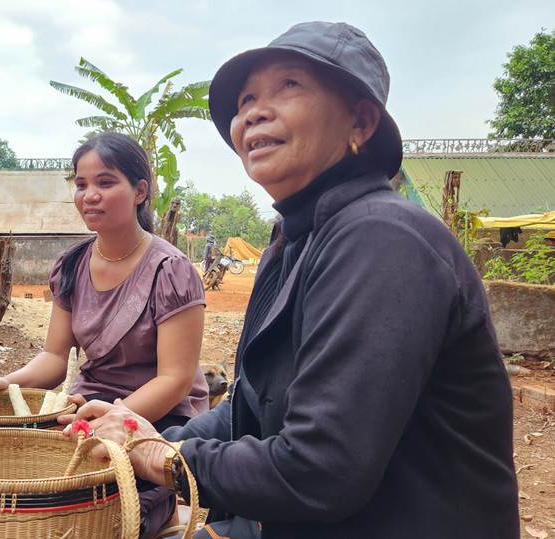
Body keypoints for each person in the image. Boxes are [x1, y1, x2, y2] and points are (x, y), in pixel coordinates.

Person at [67, 21, 519, 538]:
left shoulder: (382, 239)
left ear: (361, 122)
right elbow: (248, 407)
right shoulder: (293, 243)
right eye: (247, 99)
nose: (254, 110)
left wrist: (163, 460)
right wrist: (148, 435)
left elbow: (319, 469)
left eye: (289, 86)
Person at [3, 131, 209, 538]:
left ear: (140, 191)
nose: (89, 195)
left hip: (155, 420)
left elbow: (176, 379)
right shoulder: (73, 265)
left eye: (105, 182)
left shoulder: (171, 270)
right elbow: (54, 358)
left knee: (93, 515)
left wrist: (114, 422)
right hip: (87, 409)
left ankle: (162, 504)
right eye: (81, 184)